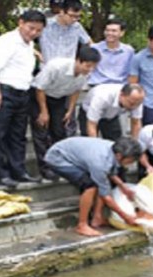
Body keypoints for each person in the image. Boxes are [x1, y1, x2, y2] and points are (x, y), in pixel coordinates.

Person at [0, 10, 46, 189]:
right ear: (20, 23)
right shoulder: (5, 41)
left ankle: (19, 171)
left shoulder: (28, 44)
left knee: (18, 135)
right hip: (3, 91)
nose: (34, 33)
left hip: (22, 93)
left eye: (38, 30)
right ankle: (1, 174)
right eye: (31, 28)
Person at [44, 136, 141, 236]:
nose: (131, 163)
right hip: (58, 158)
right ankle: (82, 225)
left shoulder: (113, 150)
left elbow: (109, 172)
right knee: (90, 186)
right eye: (131, 160)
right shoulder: (100, 161)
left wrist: (123, 187)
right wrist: (126, 217)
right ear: (119, 156)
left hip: (77, 155)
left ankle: (97, 218)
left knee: (101, 182)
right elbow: (106, 197)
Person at [31, 46, 101, 181]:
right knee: (42, 131)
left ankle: (59, 165)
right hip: (39, 96)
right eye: (87, 66)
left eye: (93, 67)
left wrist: (70, 110)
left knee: (59, 131)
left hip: (60, 99)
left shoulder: (85, 74)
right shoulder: (56, 66)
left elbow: (76, 90)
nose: (90, 70)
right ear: (78, 60)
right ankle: (45, 168)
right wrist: (44, 112)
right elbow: (40, 89)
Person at [78, 83, 144, 140]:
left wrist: (135, 145)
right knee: (88, 141)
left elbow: (136, 123)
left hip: (111, 116)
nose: (134, 107)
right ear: (121, 95)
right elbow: (91, 124)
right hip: (88, 115)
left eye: (137, 104)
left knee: (115, 142)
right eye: (131, 103)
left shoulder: (136, 100)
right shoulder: (102, 97)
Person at [38, 0, 91, 64]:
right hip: (47, 69)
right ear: (62, 12)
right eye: (71, 16)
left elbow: (89, 43)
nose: (74, 19)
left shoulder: (77, 27)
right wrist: (37, 54)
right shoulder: (45, 25)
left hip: (68, 70)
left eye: (77, 16)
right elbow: (24, 38)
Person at [87, 18, 134, 86]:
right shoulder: (95, 48)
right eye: (107, 30)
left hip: (120, 87)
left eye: (114, 31)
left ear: (122, 33)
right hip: (97, 86)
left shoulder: (128, 51)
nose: (109, 33)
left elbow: (131, 72)